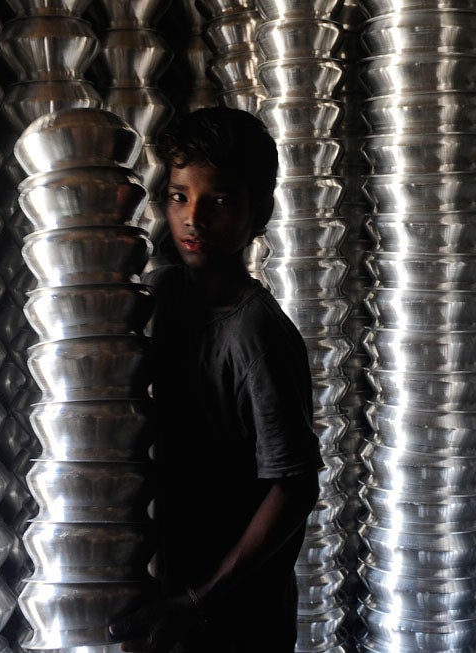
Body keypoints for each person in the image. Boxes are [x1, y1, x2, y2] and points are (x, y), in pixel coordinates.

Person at [110, 106, 323, 653]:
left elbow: (293, 487)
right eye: (180, 196)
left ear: (260, 213)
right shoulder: (161, 296)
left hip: (236, 611)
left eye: (220, 201)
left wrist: (202, 600)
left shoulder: (257, 334)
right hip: (171, 589)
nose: (194, 219)